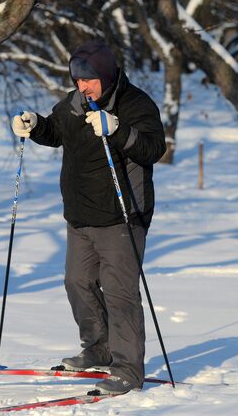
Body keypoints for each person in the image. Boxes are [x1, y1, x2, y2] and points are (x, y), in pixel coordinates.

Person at [11, 40, 166, 396]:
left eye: (89, 80)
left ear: (107, 75)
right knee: (77, 282)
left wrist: (118, 130)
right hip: (80, 214)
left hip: (121, 215)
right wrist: (34, 125)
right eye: (78, 80)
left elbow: (153, 149)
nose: (83, 87)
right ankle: (100, 348)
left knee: (120, 293)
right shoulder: (74, 104)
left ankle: (128, 369)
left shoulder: (135, 104)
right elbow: (56, 132)